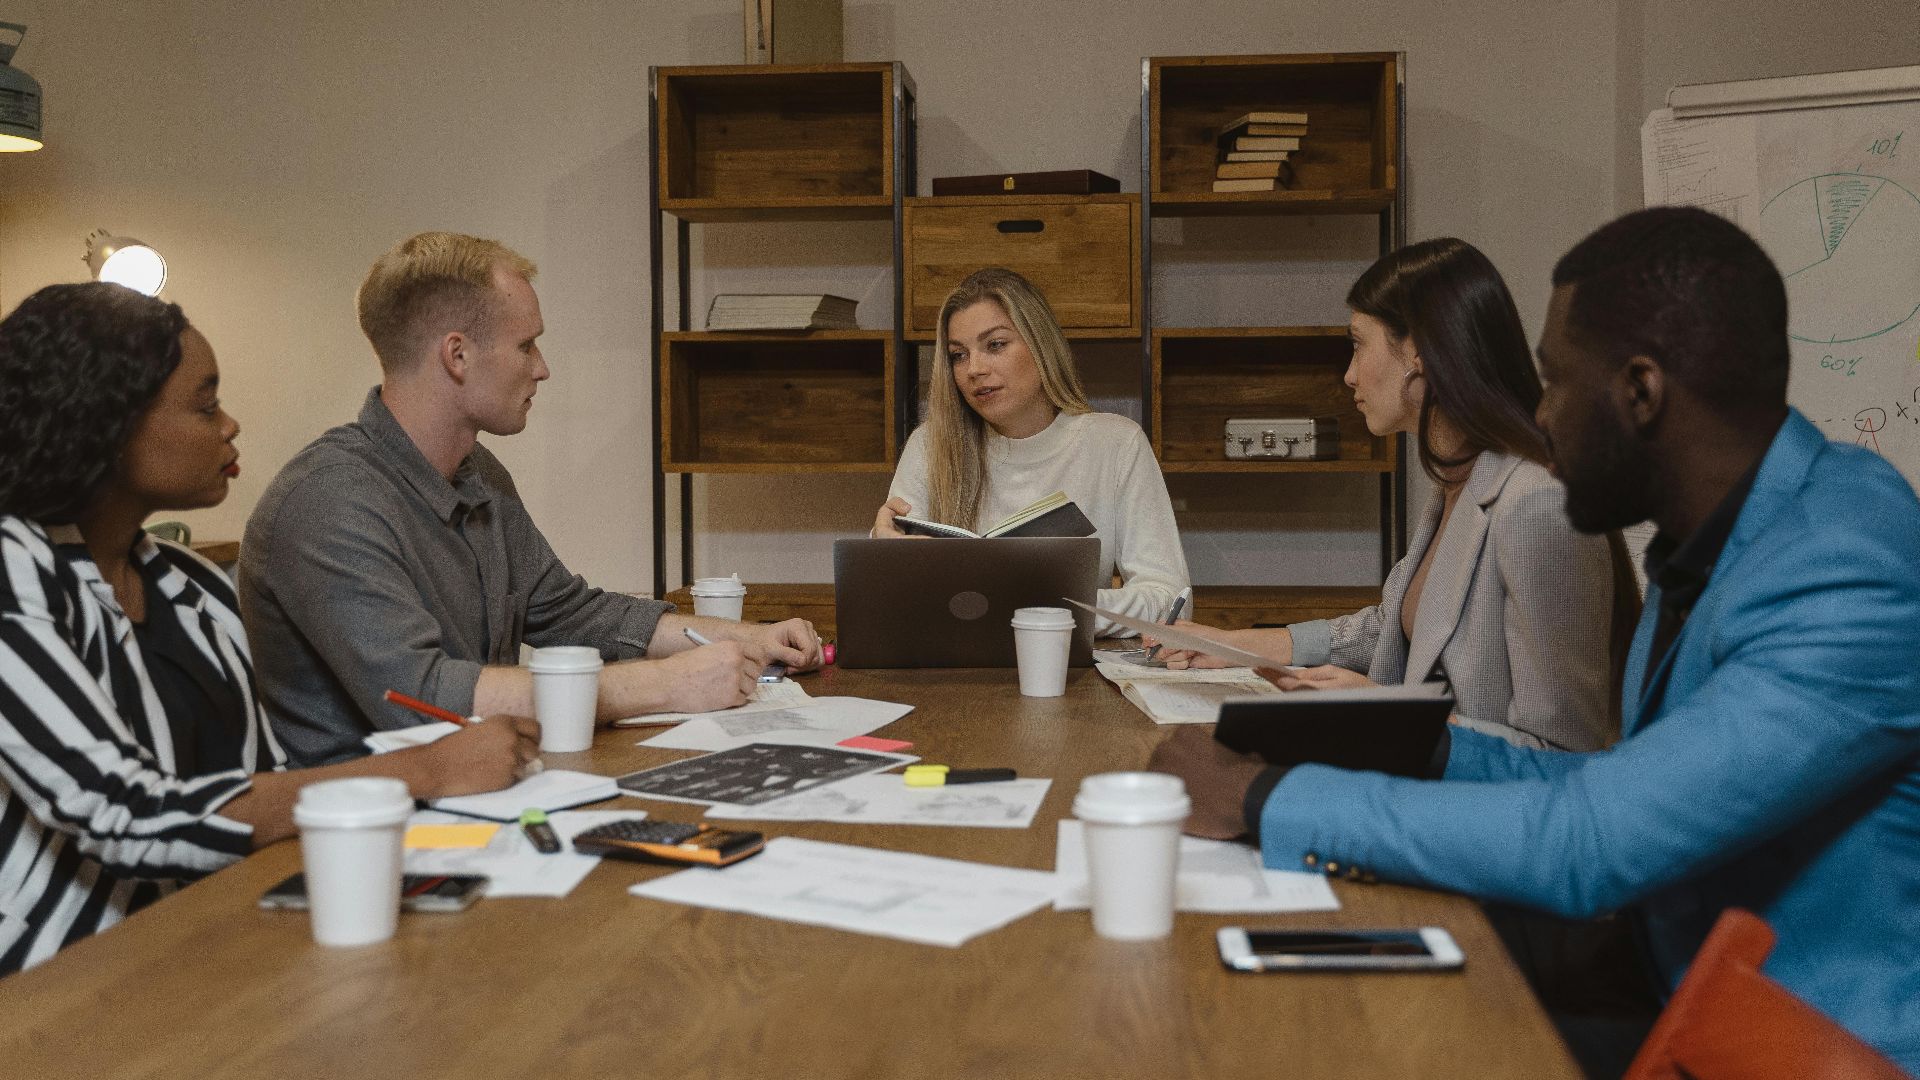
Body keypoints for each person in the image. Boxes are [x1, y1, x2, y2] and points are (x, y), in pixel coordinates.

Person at [1150, 207, 1920, 1071]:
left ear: (1640, 392)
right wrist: (1409, 744)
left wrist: (1263, 800)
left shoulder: (1847, 566)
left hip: (1795, 1047)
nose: (1540, 418)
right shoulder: (1715, 536)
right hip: (1668, 975)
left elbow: (1592, 838)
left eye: (1555, 383)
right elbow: (1610, 778)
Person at [0, 283, 538, 974]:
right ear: (107, 422)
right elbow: (124, 814)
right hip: (59, 981)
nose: (229, 426)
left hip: (214, 942)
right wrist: (426, 769)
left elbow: (265, 782)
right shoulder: (16, 574)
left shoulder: (187, 581)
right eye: (204, 406)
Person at [240, 233, 823, 766]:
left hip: (478, 793)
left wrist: (743, 639)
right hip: (364, 832)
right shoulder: (327, 503)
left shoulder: (479, 473)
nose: (542, 369)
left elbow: (569, 613)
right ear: (457, 354)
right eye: (527, 345)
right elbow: (419, 696)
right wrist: (664, 684)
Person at [1159, 239, 1637, 751]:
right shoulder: (1458, 482)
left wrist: (1381, 711)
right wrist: (1238, 646)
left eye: (1358, 343)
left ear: (1419, 353)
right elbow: (1391, 625)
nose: (1348, 374)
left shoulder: (1537, 504)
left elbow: (1565, 754)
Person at [870, 267, 1188, 635]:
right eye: (958, 355)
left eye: (995, 345)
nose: (973, 369)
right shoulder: (929, 446)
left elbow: (1170, 600)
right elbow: (891, 603)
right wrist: (881, 555)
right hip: (954, 666)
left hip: (1065, 665)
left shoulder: (1116, 443)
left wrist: (1051, 609)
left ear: (1040, 344)